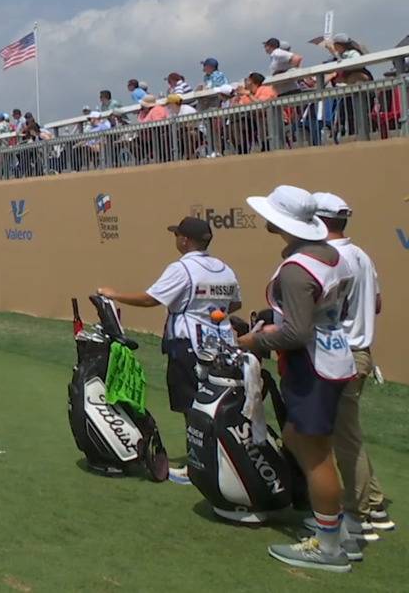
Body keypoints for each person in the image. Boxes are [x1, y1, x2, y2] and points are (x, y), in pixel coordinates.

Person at [235, 185, 357, 571]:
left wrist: (256, 339)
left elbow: (297, 332)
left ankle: (330, 546)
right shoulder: (334, 256)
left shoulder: (296, 270)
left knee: (315, 453)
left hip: (312, 364)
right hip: (333, 357)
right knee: (298, 439)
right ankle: (334, 525)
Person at [97, 216, 239, 483]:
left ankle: (197, 465)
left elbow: (152, 298)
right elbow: (235, 304)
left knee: (192, 407)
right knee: (218, 403)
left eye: (177, 235)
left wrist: (115, 295)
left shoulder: (182, 269)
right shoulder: (224, 269)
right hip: (222, 345)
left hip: (188, 345)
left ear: (185, 240)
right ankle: (219, 459)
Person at [315, 192, 393, 540]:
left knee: (343, 439)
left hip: (341, 354)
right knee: (348, 434)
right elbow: (375, 303)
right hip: (360, 351)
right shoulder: (361, 255)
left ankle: (356, 513)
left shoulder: (334, 259)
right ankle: (374, 504)